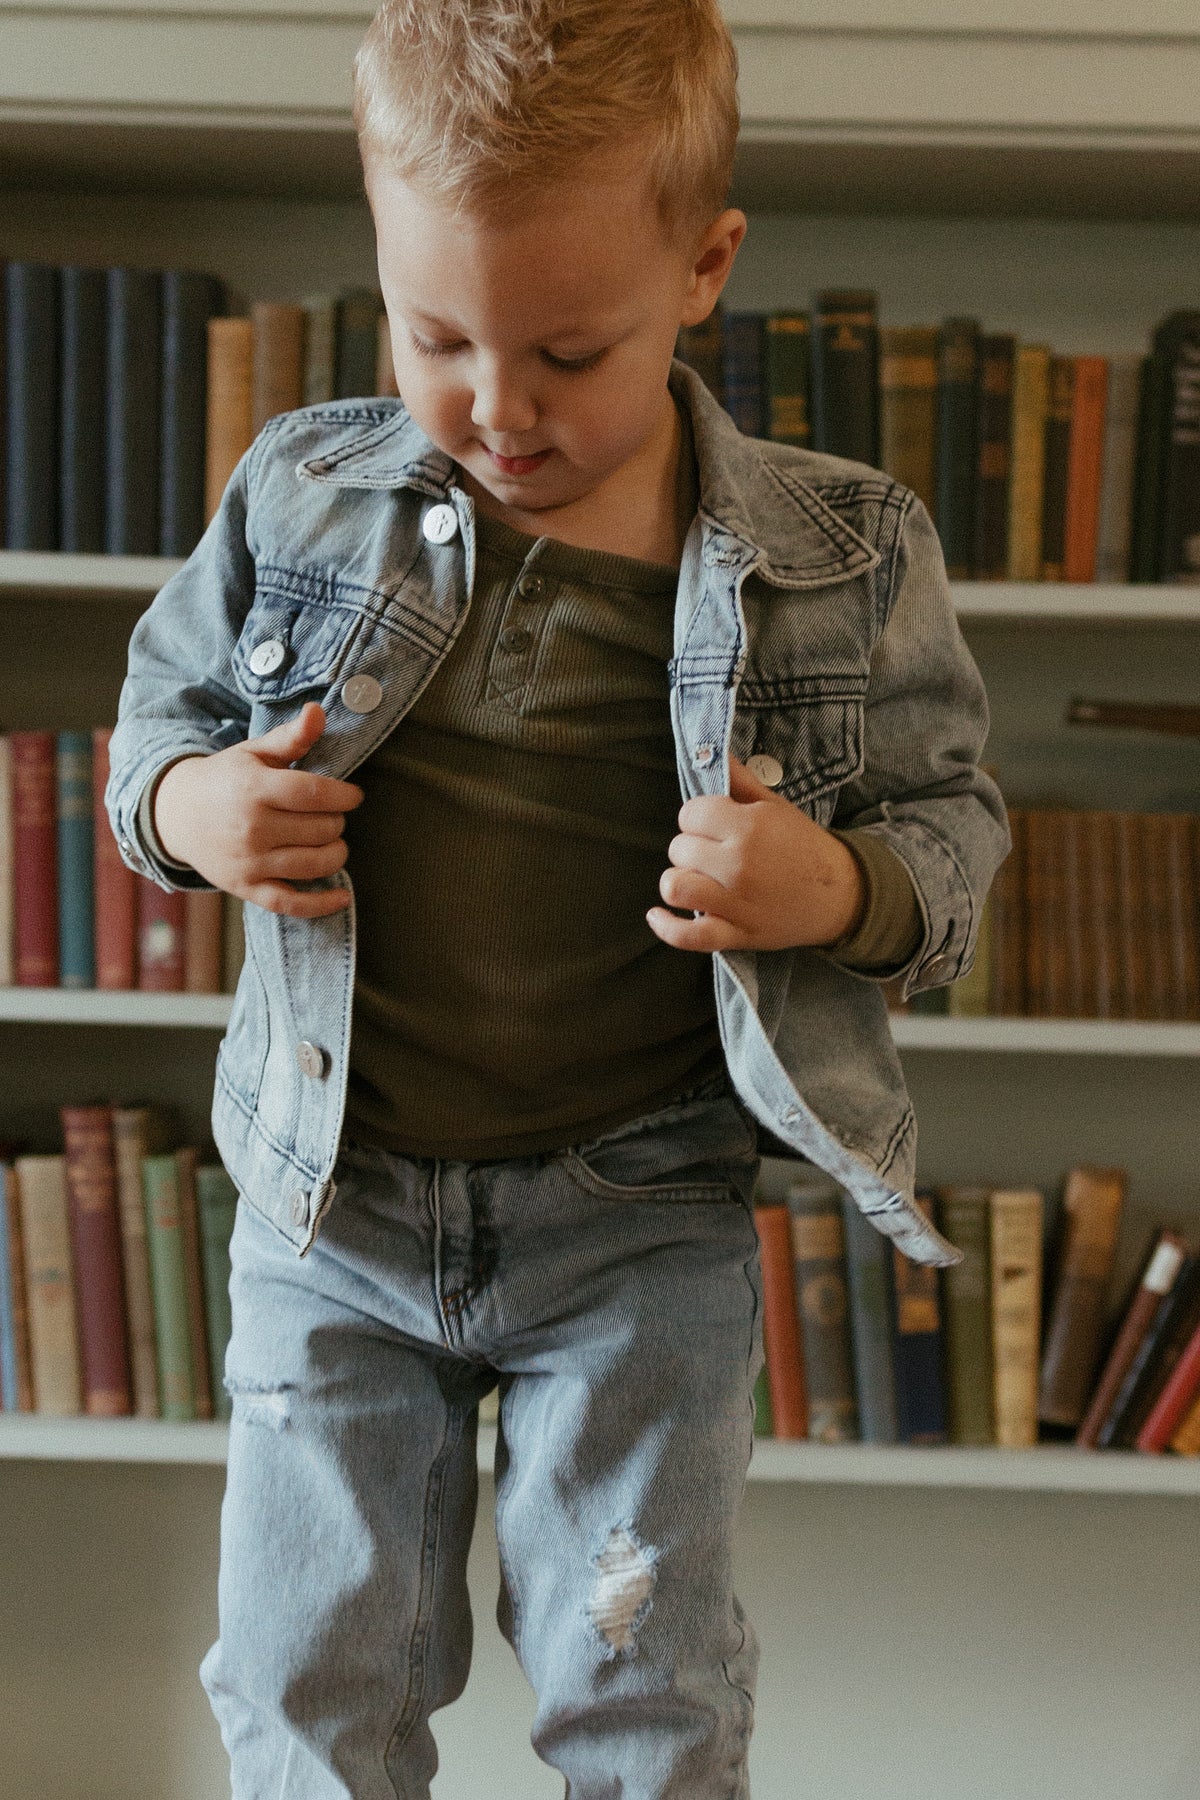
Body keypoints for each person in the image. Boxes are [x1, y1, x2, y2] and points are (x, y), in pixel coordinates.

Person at [106, 1, 1009, 1792]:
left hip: (636, 1215)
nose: (499, 411)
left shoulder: (850, 552)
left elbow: (955, 836)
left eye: (568, 352)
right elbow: (158, 727)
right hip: (332, 1207)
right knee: (306, 1685)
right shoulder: (302, 484)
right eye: (434, 335)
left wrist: (831, 882)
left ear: (705, 267)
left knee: (641, 1683)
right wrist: (196, 807)